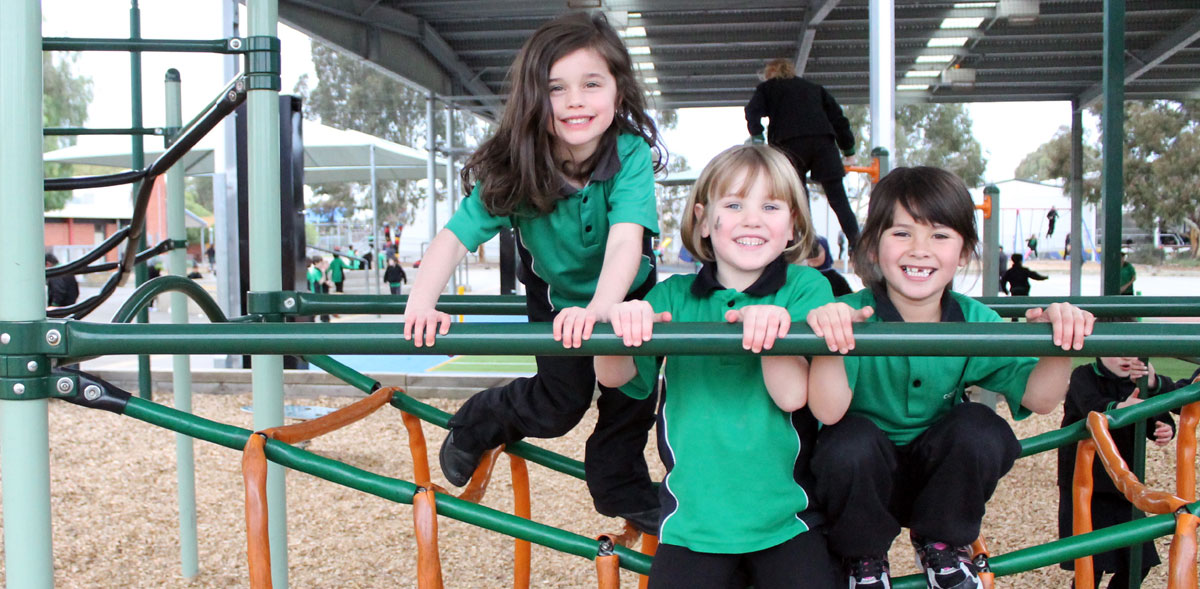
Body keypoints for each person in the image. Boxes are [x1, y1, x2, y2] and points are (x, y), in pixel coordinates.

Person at [403, 12, 666, 533]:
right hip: (557, 297)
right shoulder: (518, 164)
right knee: (557, 406)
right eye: (556, 88)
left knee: (633, 396)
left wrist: (602, 312)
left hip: (626, 295)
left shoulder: (628, 152)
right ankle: (482, 418)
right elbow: (455, 236)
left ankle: (619, 485)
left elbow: (625, 241)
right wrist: (421, 302)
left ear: (617, 90)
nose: (575, 101)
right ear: (533, 98)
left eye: (592, 84)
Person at [803, 166, 1095, 589]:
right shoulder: (854, 315)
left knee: (982, 429)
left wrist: (1062, 342)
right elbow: (829, 413)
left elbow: (1041, 398)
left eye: (939, 235)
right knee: (847, 442)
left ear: (962, 252)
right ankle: (862, 556)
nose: (920, 249)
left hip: (937, 480)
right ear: (873, 247)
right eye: (902, 233)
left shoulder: (972, 319)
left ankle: (941, 541)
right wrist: (832, 337)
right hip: (863, 483)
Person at [594, 144, 837, 588]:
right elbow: (613, 376)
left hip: (786, 518)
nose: (751, 219)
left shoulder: (806, 288)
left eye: (770, 205)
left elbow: (792, 395)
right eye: (734, 204)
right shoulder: (673, 297)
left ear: (792, 227)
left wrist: (771, 336)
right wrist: (620, 324)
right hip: (693, 523)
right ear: (704, 221)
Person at [1057, 351, 1176, 589]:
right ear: (1098, 353)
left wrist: (1164, 427)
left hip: (1125, 484)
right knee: (1091, 562)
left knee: (1139, 561)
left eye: (1130, 351)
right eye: (1114, 351)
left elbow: (1156, 412)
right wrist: (1122, 407)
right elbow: (1090, 406)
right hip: (1088, 484)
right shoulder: (1084, 375)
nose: (1124, 357)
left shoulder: (1136, 382)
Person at [745, 58, 859, 248]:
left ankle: (808, 244)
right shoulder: (814, 88)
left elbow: (752, 111)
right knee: (838, 197)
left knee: (797, 194)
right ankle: (857, 243)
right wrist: (849, 150)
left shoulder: (768, 88)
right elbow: (838, 119)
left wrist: (757, 136)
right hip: (823, 142)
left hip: (788, 143)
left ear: (770, 73)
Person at [307, 256, 330, 322]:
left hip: (318, 292)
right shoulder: (315, 271)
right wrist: (323, 272)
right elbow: (321, 281)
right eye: (321, 263)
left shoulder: (317, 271)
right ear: (316, 263)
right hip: (316, 293)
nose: (322, 264)